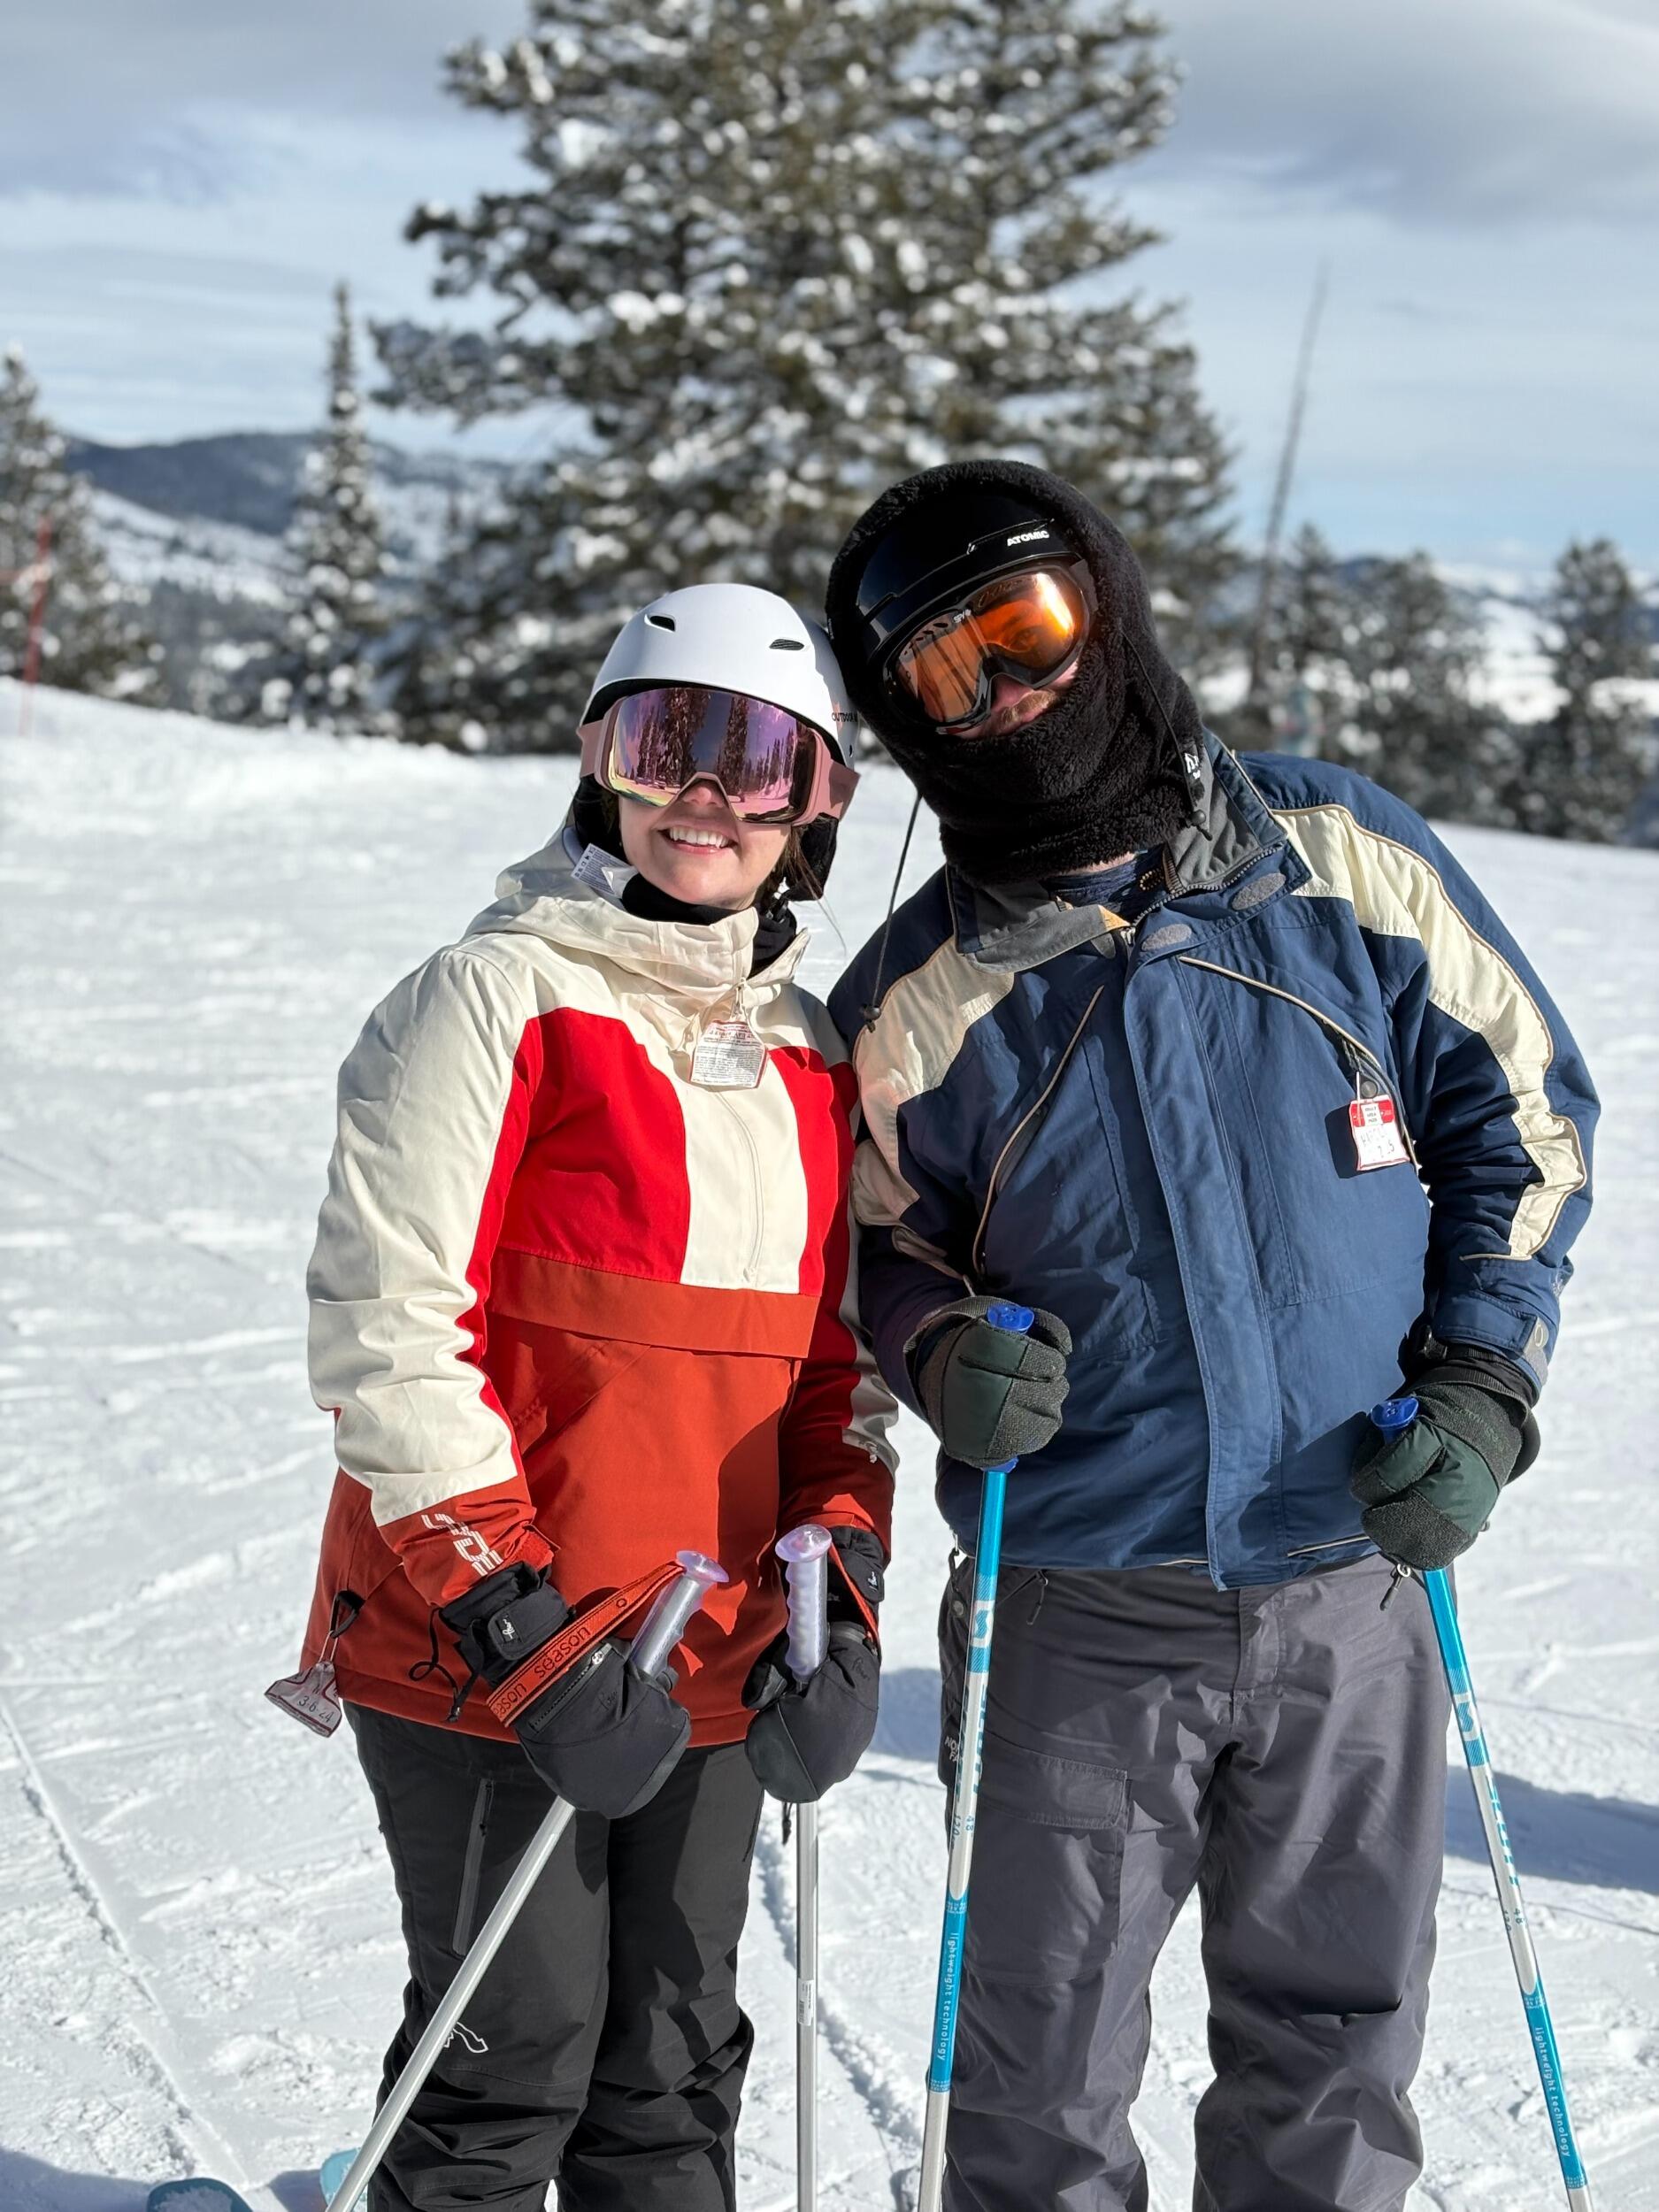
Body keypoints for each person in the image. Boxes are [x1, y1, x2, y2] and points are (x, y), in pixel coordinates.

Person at [822, 459, 1597, 2211]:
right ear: (905, 719)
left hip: (1356, 1576)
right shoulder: (915, 996)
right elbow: (858, 1251)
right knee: (1033, 2083)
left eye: (1023, 625)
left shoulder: (1333, 854)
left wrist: (1475, 1387)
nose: (1007, 690)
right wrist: (936, 1342)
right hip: (1079, 1607)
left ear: (1098, 599)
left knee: (1332, 2055)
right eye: (945, 672)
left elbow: (1525, 1121)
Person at [286, 583, 896, 2212]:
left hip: (700, 1662)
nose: (706, 794)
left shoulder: (811, 1060)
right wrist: (517, 1626)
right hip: (489, 1646)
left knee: (675, 2061)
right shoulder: (494, 996)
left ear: (814, 809)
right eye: (664, 742)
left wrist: (840, 1595)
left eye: (758, 760)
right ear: (598, 766)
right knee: (517, 2053)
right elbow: (390, 1330)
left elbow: (831, 1385)